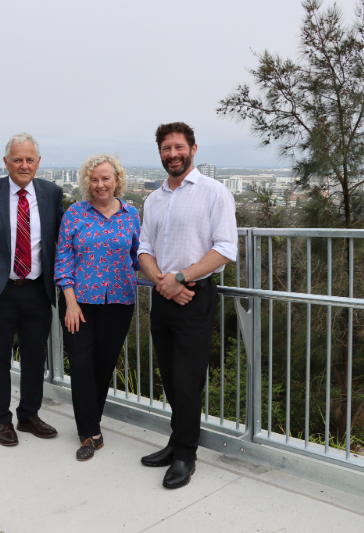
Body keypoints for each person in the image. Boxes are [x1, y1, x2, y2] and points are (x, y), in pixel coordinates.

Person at [137, 122, 237, 489]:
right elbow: (143, 249)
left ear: (193, 149)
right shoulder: (154, 198)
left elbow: (226, 248)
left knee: (186, 379)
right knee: (168, 374)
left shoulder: (214, 192)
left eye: (179, 147)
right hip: (163, 295)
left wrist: (179, 278)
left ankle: (185, 456)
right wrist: (163, 283)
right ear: (161, 153)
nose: (173, 154)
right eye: (166, 148)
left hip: (195, 296)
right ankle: (175, 442)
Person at [0, 132, 65, 447]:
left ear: (38, 162)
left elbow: (63, 239)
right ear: (6, 162)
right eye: (17, 159)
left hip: (37, 290)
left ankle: (29, 416)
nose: (23, 165)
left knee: (35, 358)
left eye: (29, 159)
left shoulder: (51, 193)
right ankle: (2, 420)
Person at [54, 154, 140, 461]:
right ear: (86, 183)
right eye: (94, 179)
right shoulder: (75, 214)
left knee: (102, 367)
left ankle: (90, 429)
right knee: (80, 364)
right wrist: (70, 303)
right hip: (80, 303)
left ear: (117, 180)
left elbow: (136, 256)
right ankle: (90, 433)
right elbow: (63, 260)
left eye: (106, 178)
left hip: (119, 301)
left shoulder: (131, 214)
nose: (100, 184)